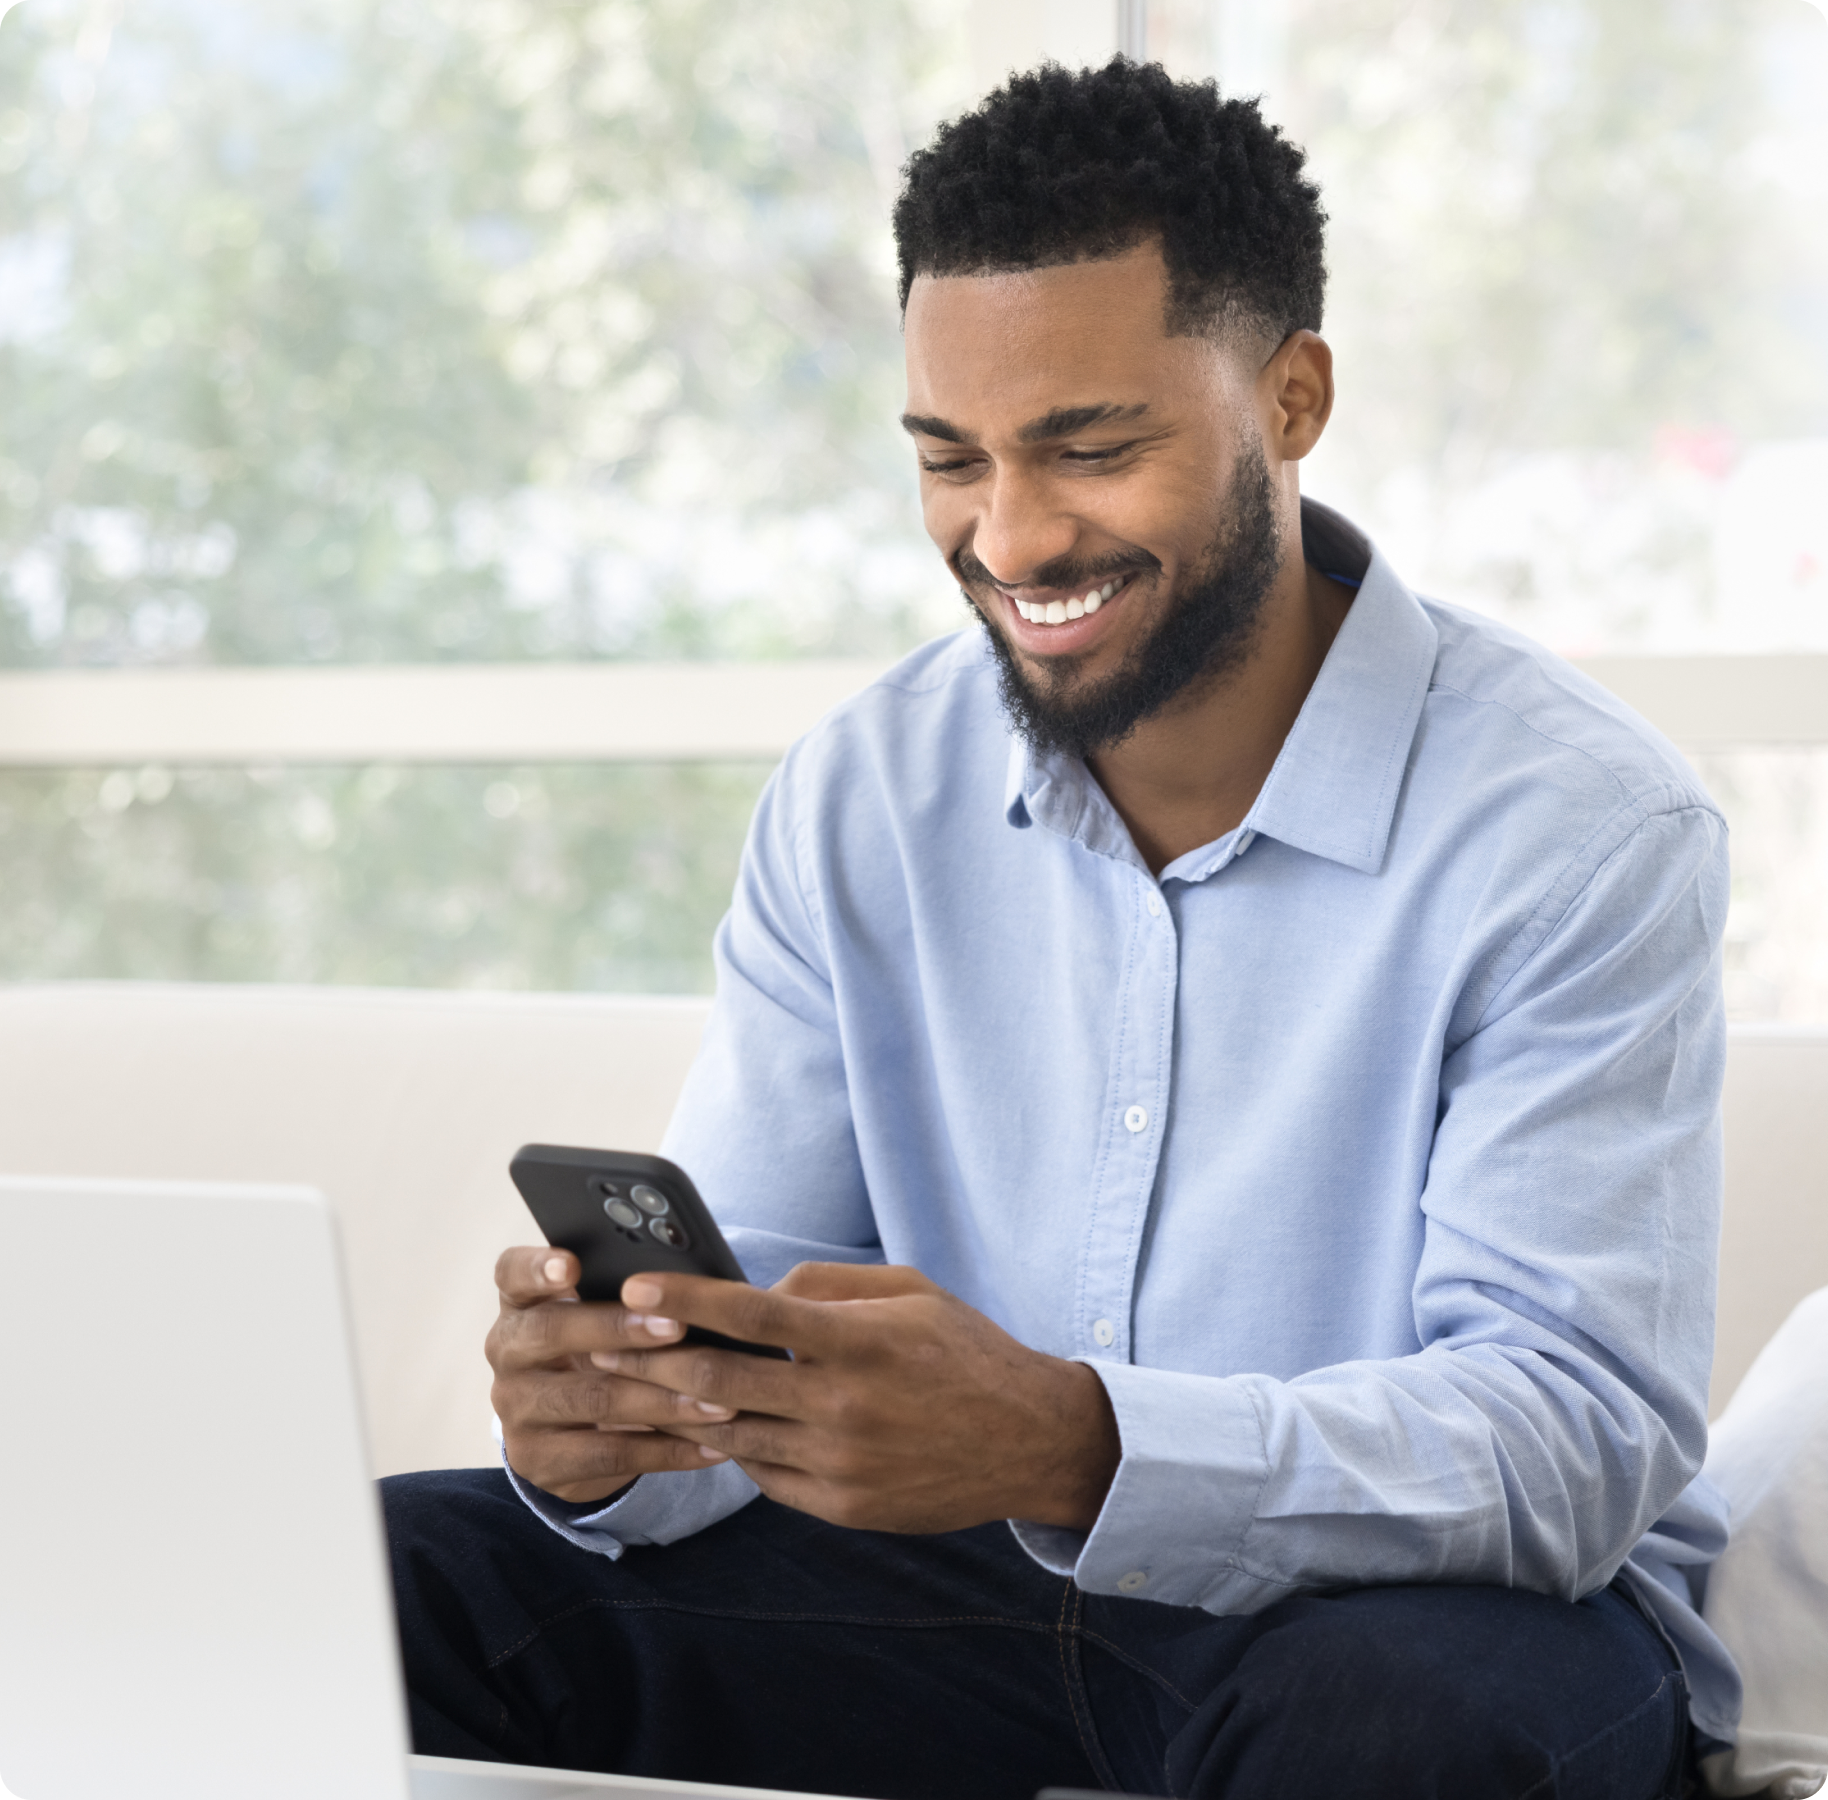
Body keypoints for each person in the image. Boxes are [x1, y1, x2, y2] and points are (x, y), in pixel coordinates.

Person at [384, 59, 1739, 1800]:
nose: (1011, 538)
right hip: (954, 1600)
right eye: (952, 460)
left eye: (1091, 449)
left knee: (1403, 1725)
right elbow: (752, 1314)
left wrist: (1079, 1440)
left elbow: (1569, 1437)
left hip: (1406, 1614)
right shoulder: (863, 792)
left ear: (1293, 398)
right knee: (377, 1582)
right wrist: (621, 1426)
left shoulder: (1579, 828)